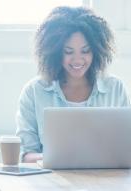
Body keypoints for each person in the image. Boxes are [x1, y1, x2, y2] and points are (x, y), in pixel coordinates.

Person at [15, 6, 131, 163]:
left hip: (105, 180)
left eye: (85, 51)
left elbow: (125, 147)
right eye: (68, 51)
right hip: (52, 181)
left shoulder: (115, 89)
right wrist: (55, 159)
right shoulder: (34, 91)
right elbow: (26, 154)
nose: (77, 60)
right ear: (55, 52)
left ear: (97, 51)